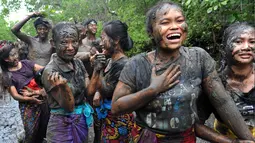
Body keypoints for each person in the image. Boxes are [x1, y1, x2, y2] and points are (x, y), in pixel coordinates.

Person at [111, 2, 255, 143]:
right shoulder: (137, 64)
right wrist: (153, 89)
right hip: (149, 138)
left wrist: (248, 139)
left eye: (180, 21)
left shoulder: (199, 58)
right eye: (165, 22)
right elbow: (116, 107)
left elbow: (222, 102)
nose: (174, 27)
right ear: (151, 32)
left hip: (186, 139)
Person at [41, 22, 96, 143]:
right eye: (64, 42)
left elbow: (88, 92)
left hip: (81, 120)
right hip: (62, 125)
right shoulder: (50, 71)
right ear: (53, 43)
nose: (70, 47)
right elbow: (69, 107)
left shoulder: (78, 63)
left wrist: (97, 69)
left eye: (74, 42)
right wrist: (64, 87)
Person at [89, 20, 134, 142]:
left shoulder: (124, 64)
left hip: (119, 121)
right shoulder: (110, 61)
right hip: (109, 119)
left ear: (116, 40)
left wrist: (97, 68)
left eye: (103, 38)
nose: (101, 43)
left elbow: (107, 91)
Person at [0, 42, 49, 143]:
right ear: (6, 59)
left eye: (16, 53)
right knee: (30, 132)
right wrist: (31, 98)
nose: (16, 57)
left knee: (45, 127)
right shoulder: (7, 75)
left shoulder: (26, 63)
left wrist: (40, 90)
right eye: (12, 55)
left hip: (42, 101)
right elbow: (15, 95)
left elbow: (45, 70)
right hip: (28, 106)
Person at [214, 22, 255, 138]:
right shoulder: (214, 83)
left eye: (252, 42)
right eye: (238, 42)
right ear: (224, 48)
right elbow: (196, 123)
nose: (246, 47)